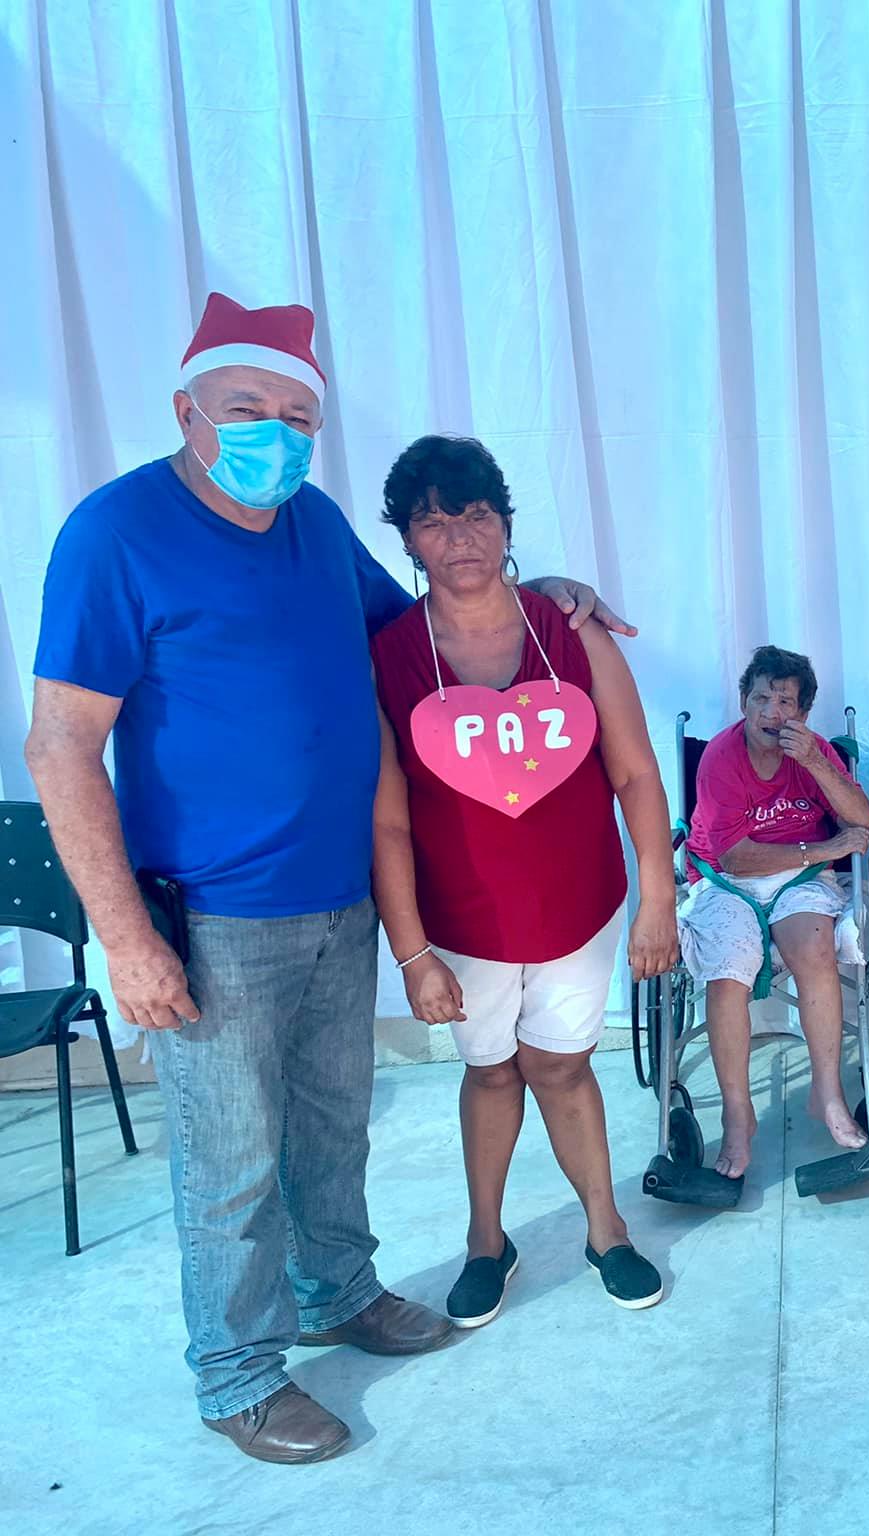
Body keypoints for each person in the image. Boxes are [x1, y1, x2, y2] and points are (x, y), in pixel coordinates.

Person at [25, 293, 620, 1464]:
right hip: (211, 915)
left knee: (332, 1127)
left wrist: (546, 589)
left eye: (298, 416)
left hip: (340, 895)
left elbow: (428, 630)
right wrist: (125, 939)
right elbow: (60, 747)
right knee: (231, 1161)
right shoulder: (115, 534)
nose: (276, 433)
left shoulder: (313, 522)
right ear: (186, 410)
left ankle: (336, 1291)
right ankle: (238, 1375)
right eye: (248, 408)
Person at [369, 435, 675, 1322]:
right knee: (492, 1072)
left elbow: (637, 773)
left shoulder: (570, 632)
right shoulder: (388, 655)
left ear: (506, 525)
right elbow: (387, 818)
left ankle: (607, 1232)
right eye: (433, 521)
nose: (458, 537)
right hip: (462, 923)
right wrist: (412, 953)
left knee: (562, 1067)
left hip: (579, 906)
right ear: (408, 540)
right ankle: (486, 1243)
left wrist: (657, 898)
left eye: (475, 516)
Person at [678, 647, 869, 1180]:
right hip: (727, 878)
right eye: (761, 698)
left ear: (803, 713)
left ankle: (827, 1095)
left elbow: (862, 819)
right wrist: (825, 849)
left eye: (785, 702)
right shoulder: (721, 758)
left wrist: (816, 762)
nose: (771, 712)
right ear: (743, 701)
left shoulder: (814, 751)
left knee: (814, 951)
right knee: (728, 972)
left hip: (798, 879)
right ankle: (738, 1115)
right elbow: (736, 858)